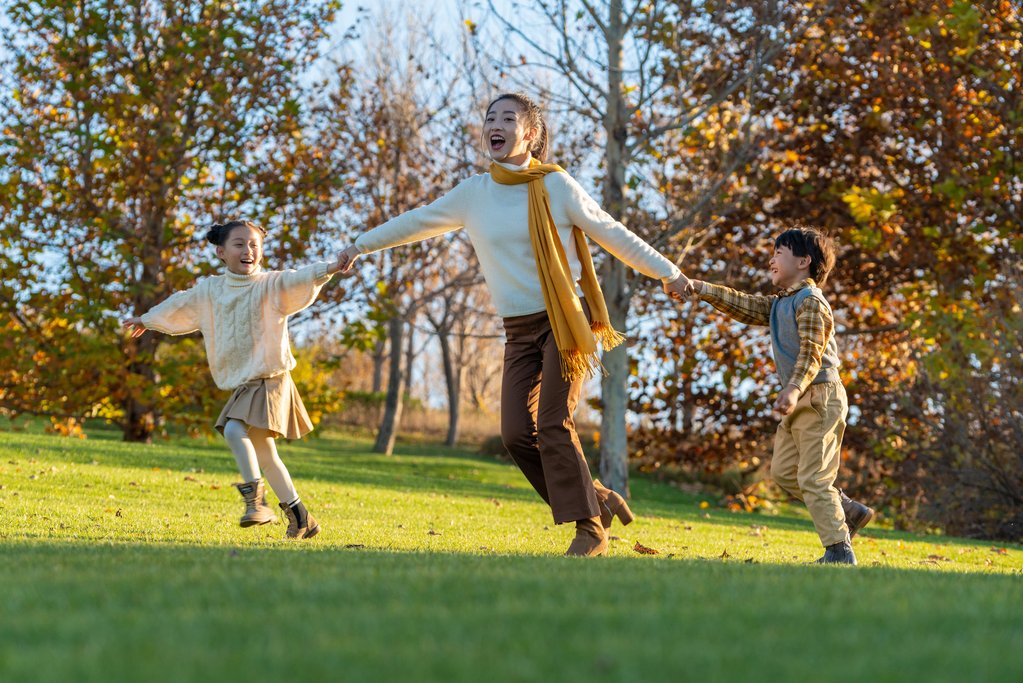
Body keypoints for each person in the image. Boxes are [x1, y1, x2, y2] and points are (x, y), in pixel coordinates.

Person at [336, 92, 689, 557]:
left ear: (531, 134)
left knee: (553, 422)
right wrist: (359, 245)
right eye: (489, 118)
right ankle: (597, 499)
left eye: (508, 118)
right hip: (518, 329)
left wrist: (668, 272)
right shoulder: (472, 195)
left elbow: (610, 231)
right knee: (515, 434)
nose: (494, 125)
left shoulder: (556, 187)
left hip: (564, 320)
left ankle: (589, 528)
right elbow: (416, 222)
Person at [123, 219, 345, 540]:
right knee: (266, 456)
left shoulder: (270, 285)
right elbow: (181, 303)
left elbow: (300, 278)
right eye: (239, 244)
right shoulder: (210, 290)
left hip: (271, 376)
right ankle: (301, 518)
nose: (248, 250)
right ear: (221, 252)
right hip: (246, 381)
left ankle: (256, 503)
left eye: (254, 244)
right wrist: (147, 318)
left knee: (232, 429)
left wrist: (329, 268)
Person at [670, 227, 874, 564]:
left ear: (804, 261)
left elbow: (812, 352)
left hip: (818, 395)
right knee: (783, 472)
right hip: (799, 396)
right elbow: (746, 305)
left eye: (779, 252)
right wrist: (702, 289)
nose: (771, 259)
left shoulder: (811, 301)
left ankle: (839, 551)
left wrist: (793, 389)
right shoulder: (782, 303)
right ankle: (847, 509)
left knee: (813, 477)